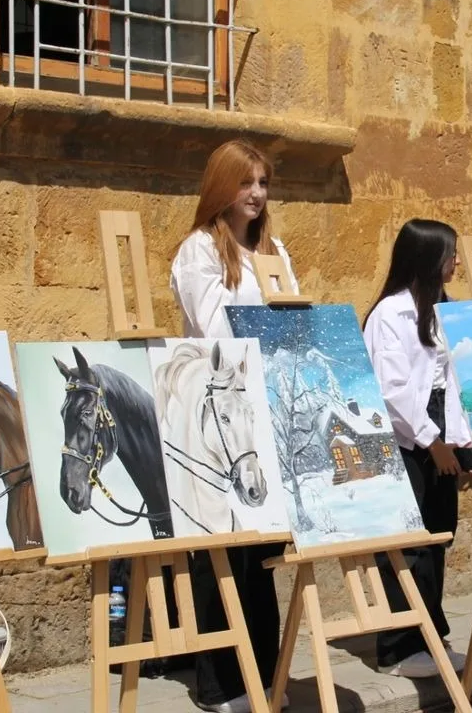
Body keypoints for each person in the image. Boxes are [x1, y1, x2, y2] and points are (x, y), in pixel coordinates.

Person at [170, 139, 295, 713]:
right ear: (222, 186)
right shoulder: (199, 251)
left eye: (263, 183)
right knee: (220, 551)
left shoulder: (272, 250)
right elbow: (216, 328)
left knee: (260, 553)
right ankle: (219, 681)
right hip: (217, 411)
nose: (257, 194)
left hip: (263, 411)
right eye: (246, 183)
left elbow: (292, 321)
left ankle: (263, 672)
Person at [363, 219, 472, 678]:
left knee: (437, 538)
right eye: (450, 254)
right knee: (407, 546)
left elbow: (448, 382)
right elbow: (392, 390)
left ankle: (429, 634)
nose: (456, 263)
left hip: (436, 433)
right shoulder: (389, 315)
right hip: (405, 442)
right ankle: (397, 647)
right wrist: (432, 443)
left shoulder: (438, 309)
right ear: (428, 257)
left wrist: (460, 446)